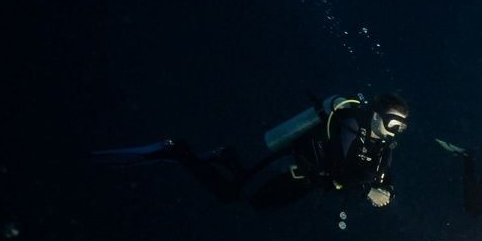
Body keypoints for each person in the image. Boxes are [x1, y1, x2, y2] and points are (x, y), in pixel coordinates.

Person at [93, 92, 410, 210]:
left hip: (304, 185)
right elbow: (343, 168)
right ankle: (176, 151)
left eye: (401, 127)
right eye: (392, 122)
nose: (395, 131)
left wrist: (385, 190)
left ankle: (226, 157)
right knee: (232, 195)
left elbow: (381, 176)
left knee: (253, 201)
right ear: (375, 114)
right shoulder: (349, 124)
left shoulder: (383, 145)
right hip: (288, 168)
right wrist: (368, 188)